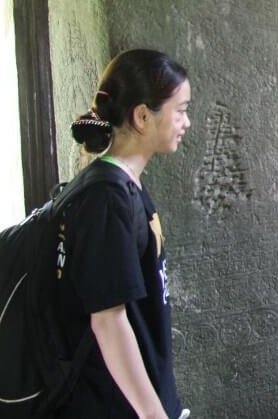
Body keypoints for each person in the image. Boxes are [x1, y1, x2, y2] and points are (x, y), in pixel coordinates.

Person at [60, 49, 191, 419]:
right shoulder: (106, 196)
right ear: (143, 116)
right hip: (117, 405)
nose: (187, 122)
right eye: (180, 110)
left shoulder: (121, 186)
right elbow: (109, 320)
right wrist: (154, 415)